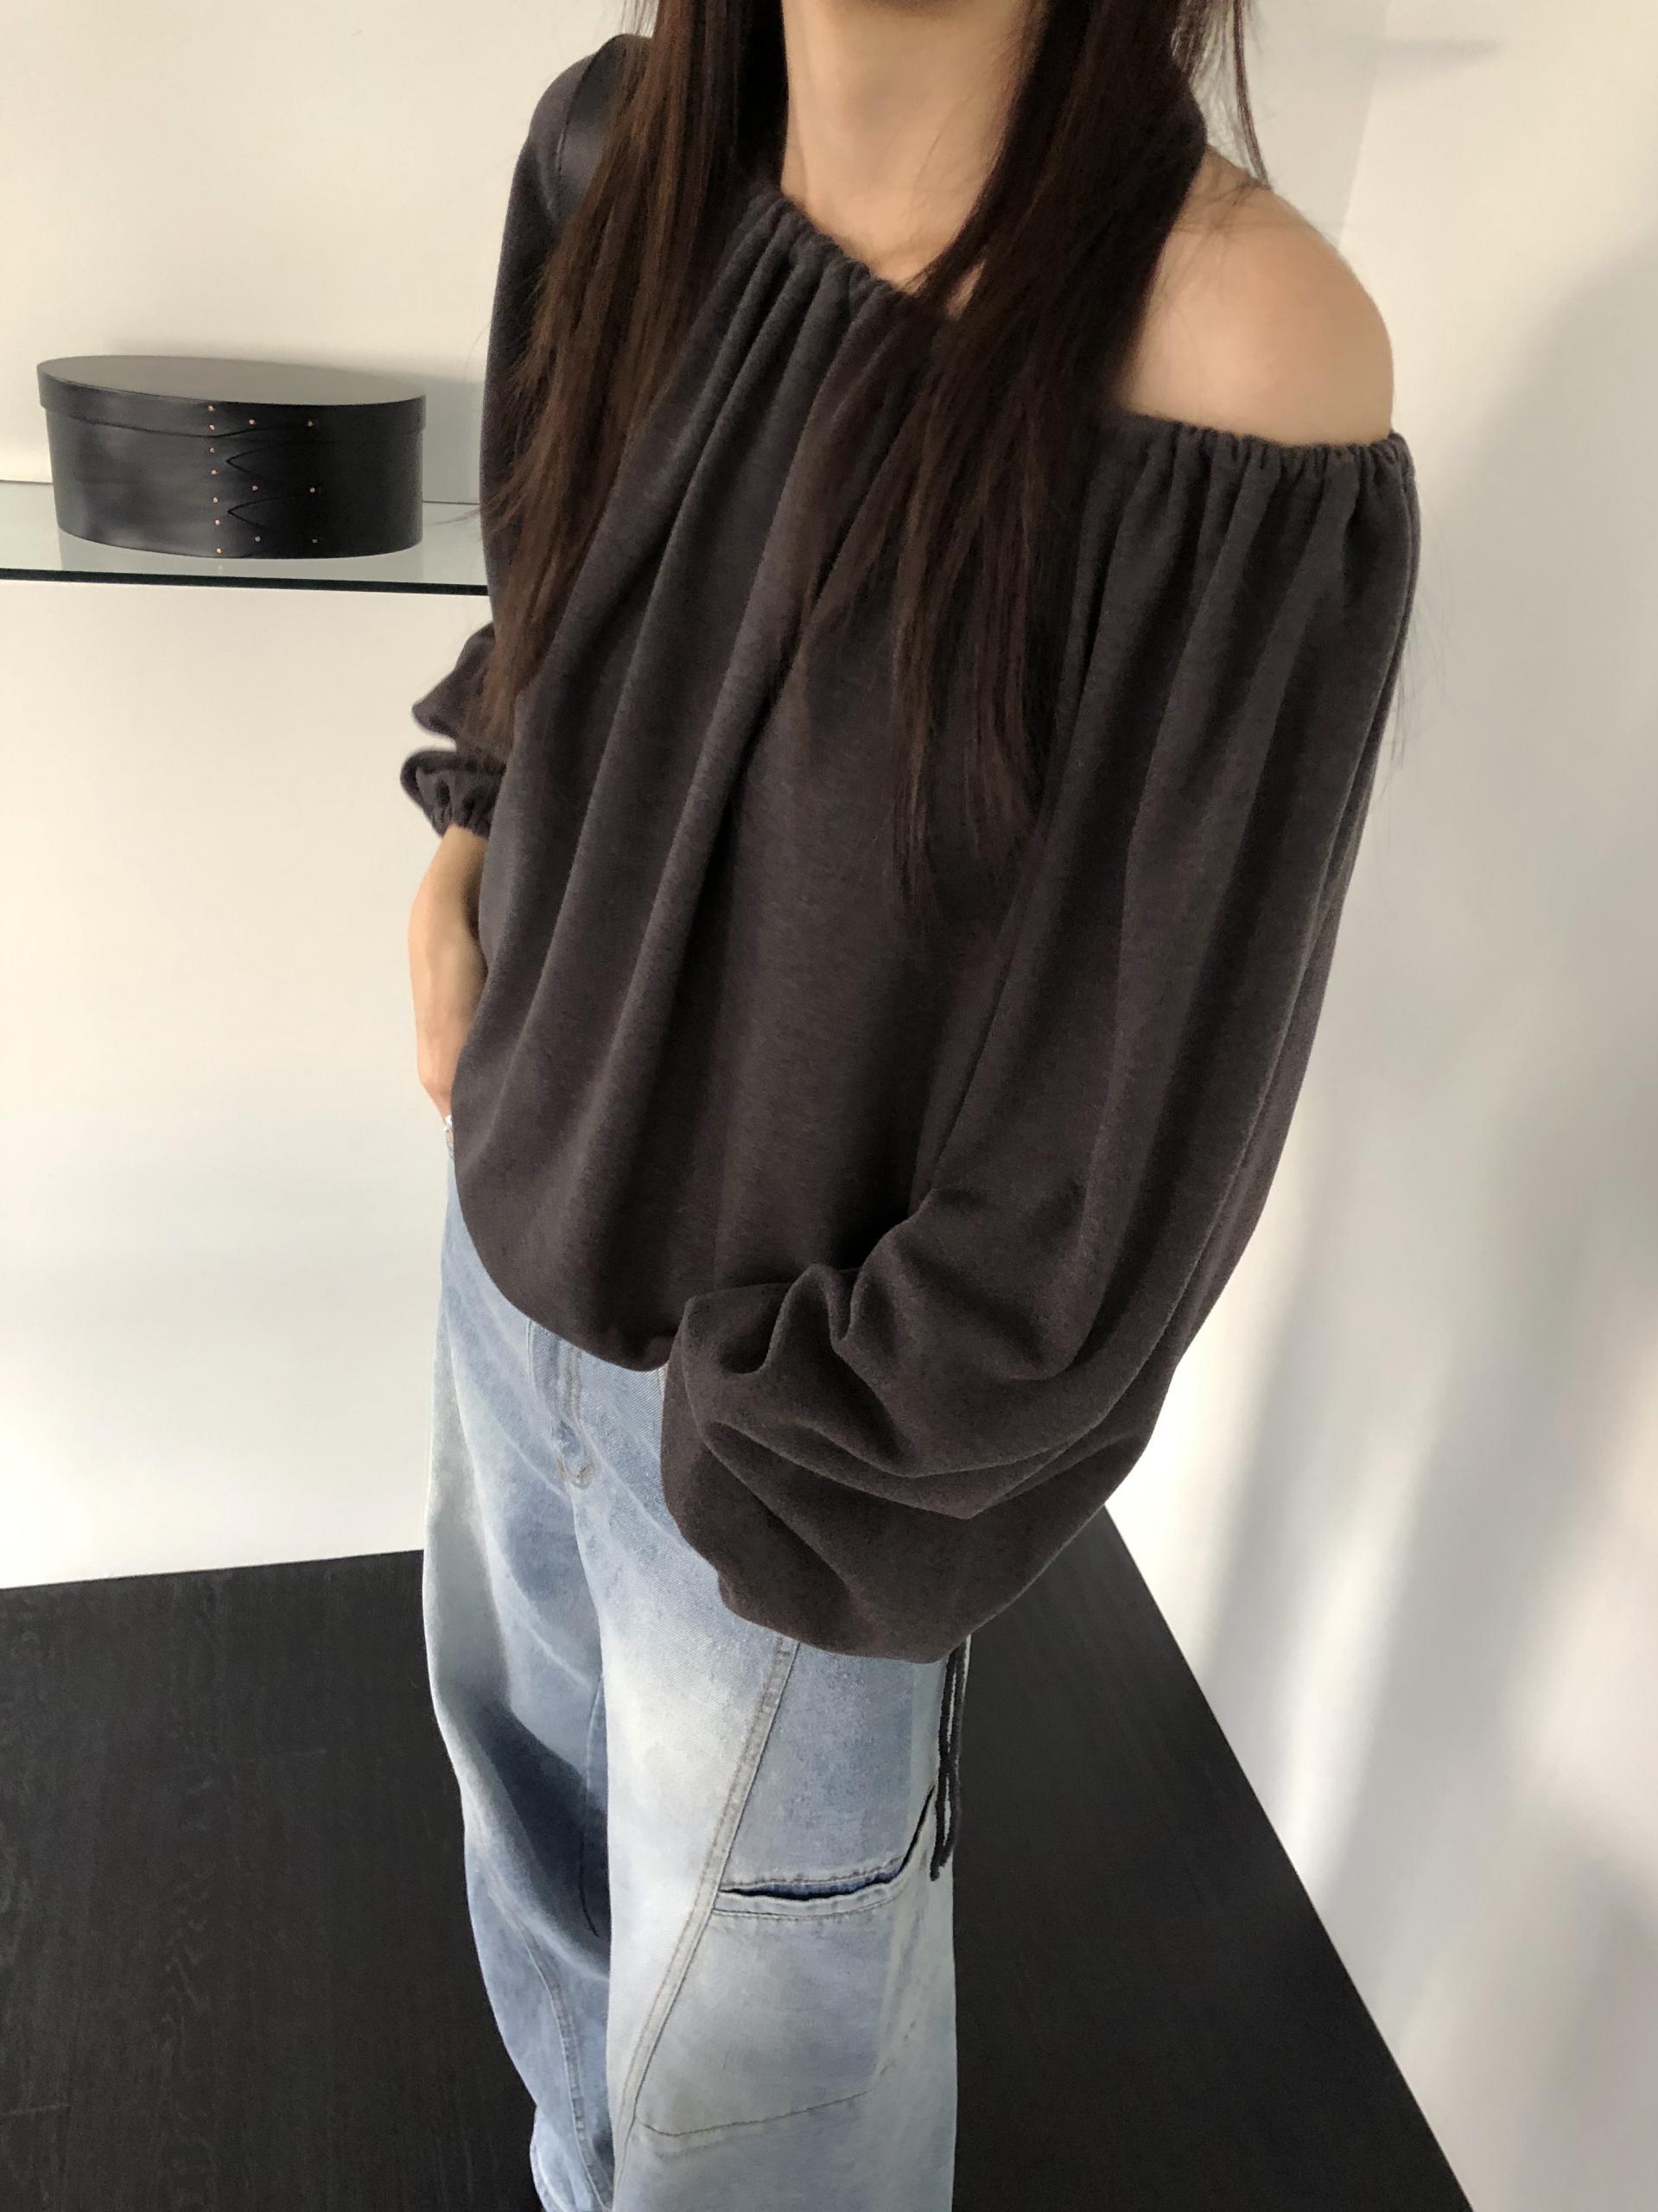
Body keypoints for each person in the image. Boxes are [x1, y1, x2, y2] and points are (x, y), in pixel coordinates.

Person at [400, 5, 1421, 2208]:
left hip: (783, 1439)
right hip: (503, 1272)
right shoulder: (622, 152)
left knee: (765, 2116)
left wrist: (814, 1450)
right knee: (541, 1891)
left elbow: (1122, 1146)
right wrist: (467, 844)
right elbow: (549, 586)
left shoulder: (1234, 361)